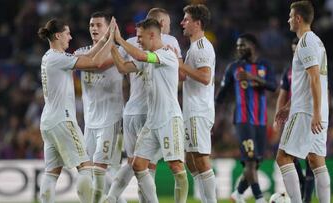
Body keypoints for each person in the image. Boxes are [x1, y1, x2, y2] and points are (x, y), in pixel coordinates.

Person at [105, 8, 183, 203]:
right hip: (150, 120)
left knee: (176, 167)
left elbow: (140, 57)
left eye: (140, 37)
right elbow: (124, 67)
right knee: (138, 165)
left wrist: (120, 40)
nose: (137, 40)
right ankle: (115, 199)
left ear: (152, 35)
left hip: (169, 118)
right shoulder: (147, 55)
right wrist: (112, 45)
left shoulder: (166, 53)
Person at [37, 18, 114, 203]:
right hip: (63, 120)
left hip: (48, 122)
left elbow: (87, 57)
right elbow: (94, 63)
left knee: (51, 172)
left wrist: (102, 41)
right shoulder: (58, 58)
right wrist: (111, 39)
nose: (70, 37)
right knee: (85, 167)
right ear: (58, 35)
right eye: (67, 33)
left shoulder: (49, 56)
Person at [275, 1, 330, 203]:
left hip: (307, 111)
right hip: (317, 109)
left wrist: (314, 113)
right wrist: (287, 106)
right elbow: (309, 82)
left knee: (283, 157)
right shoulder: (317, 42)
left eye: (291, 16)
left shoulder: (305, 43)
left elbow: (314, 78)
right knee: (316, 160)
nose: (289, 19)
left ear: (298, 18)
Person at [216, 33, 277, 203]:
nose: (239, 48)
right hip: (242, 119)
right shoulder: (233, 68)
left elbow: (273, 86)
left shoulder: (264, 65)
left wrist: (253, 78)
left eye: (243, 45)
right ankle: (259, 198)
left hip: (261, 120)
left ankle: (238, 194)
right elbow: (221, 95)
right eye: (237, 46)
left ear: (253, 46)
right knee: (249, 160)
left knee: (257, 161)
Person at [73, 12, 126, 203]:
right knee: (90, 174)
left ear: (108, 28)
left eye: (98, 25)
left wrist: (109, 41)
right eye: (91, 25)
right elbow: (89, 62)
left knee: (103, 171)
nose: (94, 29)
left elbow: (101, 64)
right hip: (90, 122)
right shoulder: (81, 52)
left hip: (111, 120)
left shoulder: (118, 50)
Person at [179, 4, 217, 203]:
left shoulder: (202, 46)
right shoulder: (193, 48)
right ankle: (205, 198)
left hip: (198, 109)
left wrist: (180, 64)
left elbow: (204, 76)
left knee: (201, 159)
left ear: (197, 23)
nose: (182, 23)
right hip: (191, 110)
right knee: (190, 160)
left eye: (186, 19)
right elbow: (185, 76)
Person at [274, 37, 315, 203]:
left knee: (310, 158)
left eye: (296, 49)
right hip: (292, 114)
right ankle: (302, 187)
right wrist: (278, 115)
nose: (295, 53)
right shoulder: (289, 71)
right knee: (290, 156)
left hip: (304, 113)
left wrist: (321, 112)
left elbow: (319, 88)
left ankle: (306, 198)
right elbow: (282, 95)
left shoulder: (310, 66)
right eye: (292, 50)